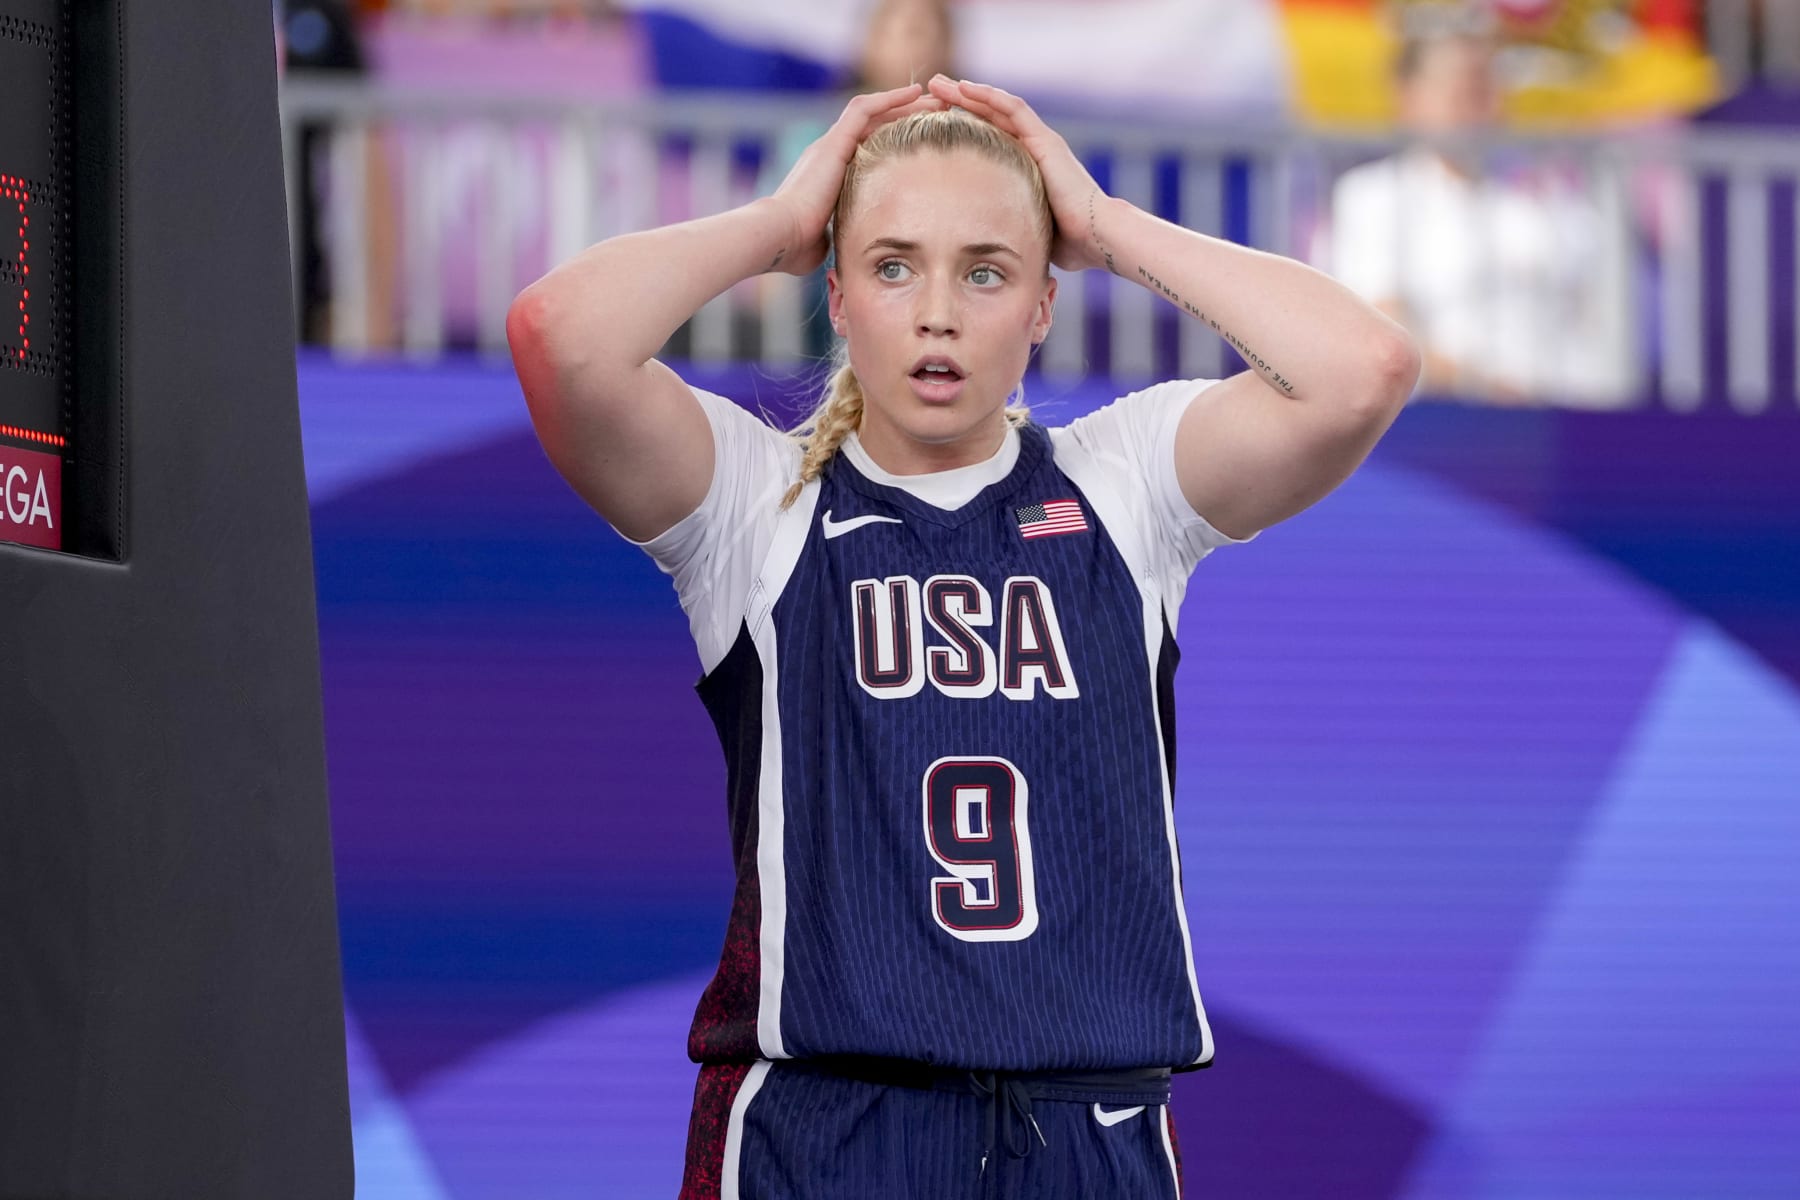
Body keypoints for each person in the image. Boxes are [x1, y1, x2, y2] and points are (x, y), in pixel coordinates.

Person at [508, 76, 1417, 1199]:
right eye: (892, 266)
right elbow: (560, 339)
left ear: (1044, 303)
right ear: (835, 296)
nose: (937, 310)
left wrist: (1104, 225)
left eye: (986, 271)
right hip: (826, 1127)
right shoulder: (758, 504)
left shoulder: (1119, 484)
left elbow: (1361, 369)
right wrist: (780, 225)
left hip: (1089, 1125)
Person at [1327, 23, 1636, 406]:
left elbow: (1601, 326)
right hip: (1442, 427)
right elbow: (1383, 332)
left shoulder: (1549, 200)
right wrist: (1491, 391)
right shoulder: (1371, 195)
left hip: (1566, 425)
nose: (1472, 99)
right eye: (1455, 85)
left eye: (1484, 83)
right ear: (1407, 97)